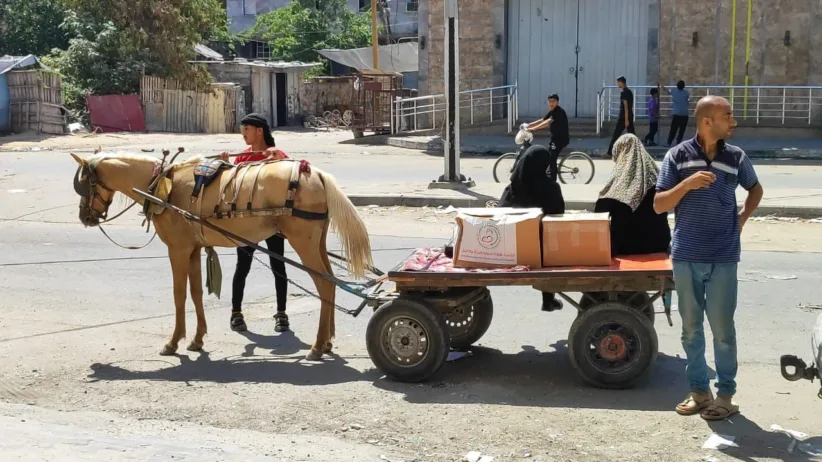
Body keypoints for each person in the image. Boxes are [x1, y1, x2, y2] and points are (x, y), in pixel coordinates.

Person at [654, 96, 763, 421]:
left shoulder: (736, 156)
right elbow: (659, 204)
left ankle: (726, 395)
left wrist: (742, 217)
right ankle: (700, 392)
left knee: (722, 329)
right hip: (686, 255)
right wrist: (687, 184)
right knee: (691, 330)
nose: (733, 121)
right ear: (707, 122)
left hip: (724, 256)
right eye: (727, 115)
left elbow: (755, 189)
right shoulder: (677, 156)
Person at [218, 113, 291, 334]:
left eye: (246, 130)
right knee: (243, 267)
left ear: (259, 131)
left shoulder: (278, 155)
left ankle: (281, 314)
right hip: (247, 223)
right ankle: (236, 313)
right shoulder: (242, 158)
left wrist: (279, 159)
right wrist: (225, 164)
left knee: (279, 267)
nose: (243, 135)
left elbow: (289, 180)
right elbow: (232, 186)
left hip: (272, 221)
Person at [499, 144, 565, 312]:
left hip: (512, 249)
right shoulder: (551, 188)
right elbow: (559, 217)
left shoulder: (512, 188)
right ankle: (548, 298)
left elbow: (499, 215)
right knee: (551, 242)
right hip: (543, 253)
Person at [595, 133, 670, 256]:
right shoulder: (656, 176)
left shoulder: (619, 183)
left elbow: (600, 213)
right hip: (659, 243)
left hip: (626, 246)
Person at [525, 94, 570, 181]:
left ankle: (553, 181)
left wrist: (533, 129)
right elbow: (543, 120)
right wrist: (528, 125)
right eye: (550, 101)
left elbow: (548, 122)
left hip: (560, 140)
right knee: (548, 156)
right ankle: (548, 174)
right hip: (555, 138)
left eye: (553, 101)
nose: (551, 103)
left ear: (557, 102)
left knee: (552, 159)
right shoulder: (552, 111)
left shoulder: (559, 111)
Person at [606, 76, 635, 158]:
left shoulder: (624, 93)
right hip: (629, 115)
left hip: (623, 117)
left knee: (616, 134)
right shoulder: (629, 92)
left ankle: (609, 152)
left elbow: (626, 107)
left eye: (618, 82)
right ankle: (636, 152)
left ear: (622, 82)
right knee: (632, 135)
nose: (617, 84)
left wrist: (626, 120)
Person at [663, 80, 690, 146]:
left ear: (677, 86)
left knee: (673, 129)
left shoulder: (674, 92)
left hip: (676, 114)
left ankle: (669, 143)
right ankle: (678, 142)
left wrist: (662, 86)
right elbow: (687, 100)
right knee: (682, 130)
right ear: (684, 86)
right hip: (685, 114)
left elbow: (668, 91)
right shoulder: (686, 93)